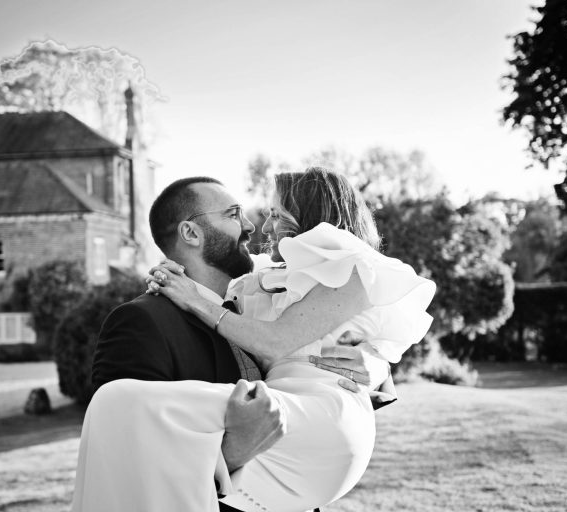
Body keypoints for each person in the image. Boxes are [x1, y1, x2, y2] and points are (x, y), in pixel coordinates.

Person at [73, 169, 435, 512]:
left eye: (272, 215)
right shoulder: (146, 320)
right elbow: (126, 452)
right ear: (191, 233)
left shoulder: (327, 277)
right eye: (234, 214)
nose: (253, 226)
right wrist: (233, 453)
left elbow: (311, 343)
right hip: (247, 483)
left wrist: (375, 362)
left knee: (116, 402)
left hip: (319, 431)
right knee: (116, 403)